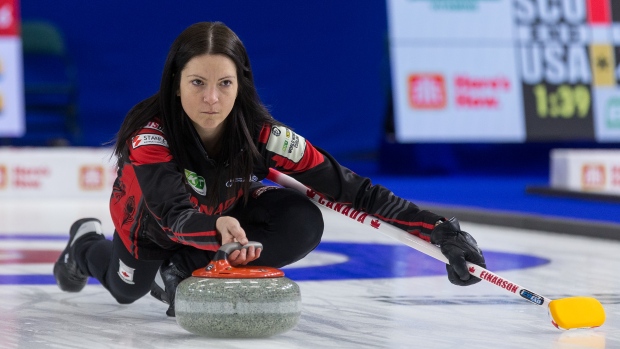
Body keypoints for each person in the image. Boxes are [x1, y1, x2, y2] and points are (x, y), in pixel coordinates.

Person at [53, 22, 486, 317]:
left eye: (224, 84)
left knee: (301, 220)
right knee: (125, 290)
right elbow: (172, 214)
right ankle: (84, 245)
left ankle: (185, 269)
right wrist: (216, 230)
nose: (211, 99)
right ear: (175, 83)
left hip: (220, 222)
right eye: (197, 83)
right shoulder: (150, 139)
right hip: (149, 227)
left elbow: (352, 190)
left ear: (240, 84)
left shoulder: (265, 135)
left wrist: (439, 230)